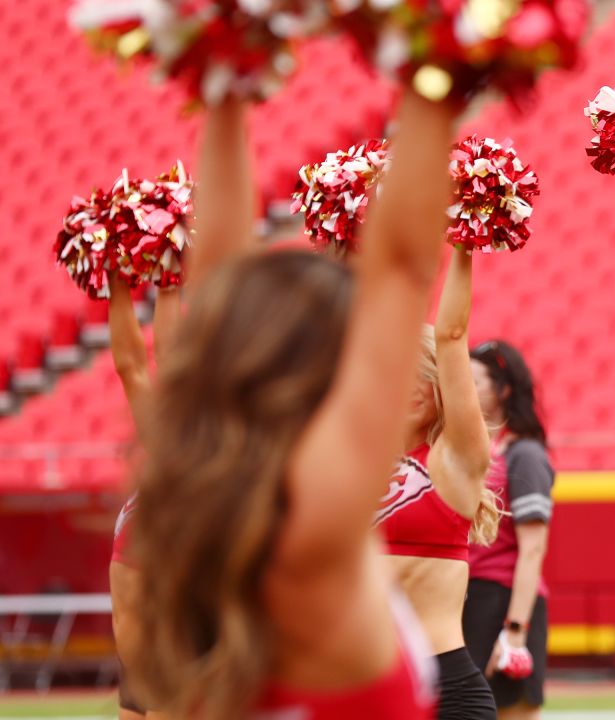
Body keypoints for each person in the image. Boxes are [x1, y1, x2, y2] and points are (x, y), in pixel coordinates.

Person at [127, 85, 459, 719]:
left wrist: (221, 85)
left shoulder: (206, 490)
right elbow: (400, 266)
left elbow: (219, 281)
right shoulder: (319, 514)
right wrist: (433, 72)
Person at [378, 250, 501, 720]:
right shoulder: (362, 464)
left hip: (444, 688)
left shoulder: (454, 461)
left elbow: (451, 336)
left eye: (421, 374)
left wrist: (465, 244)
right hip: (370, 685)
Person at [464, 340, 554, 720]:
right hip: (470, 601)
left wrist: (514, 631)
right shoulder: (484, 451)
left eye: (475, 382)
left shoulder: (526, 455)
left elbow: (532, 549)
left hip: (504, 603)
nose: (462, 388)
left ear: (503, 390)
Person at [106, 272, 179, 720]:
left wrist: (171, 280)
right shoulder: (161, 448)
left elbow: (165, 361)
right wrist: (113, 275)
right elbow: (130, 365)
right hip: (133, 674)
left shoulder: (201, 468)